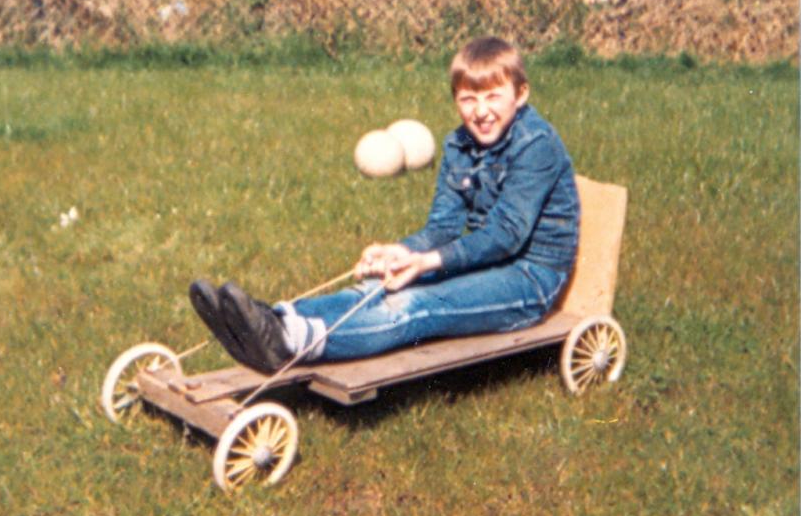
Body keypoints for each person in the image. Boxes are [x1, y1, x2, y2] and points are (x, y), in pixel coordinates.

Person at [190, 36, 580, 374]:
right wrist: (402, 251)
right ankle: (270, 320)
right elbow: (442, 228)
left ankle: (290, 342)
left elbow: (506, 236)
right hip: (487, 262)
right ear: (455, 100)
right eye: (468, 98)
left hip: (529, 279)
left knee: (417, 304)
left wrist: (426, 263)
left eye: (494, 96)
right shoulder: (457, 145)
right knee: (377, 287)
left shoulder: (537, 145)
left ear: (521, 93)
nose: (481, 111)